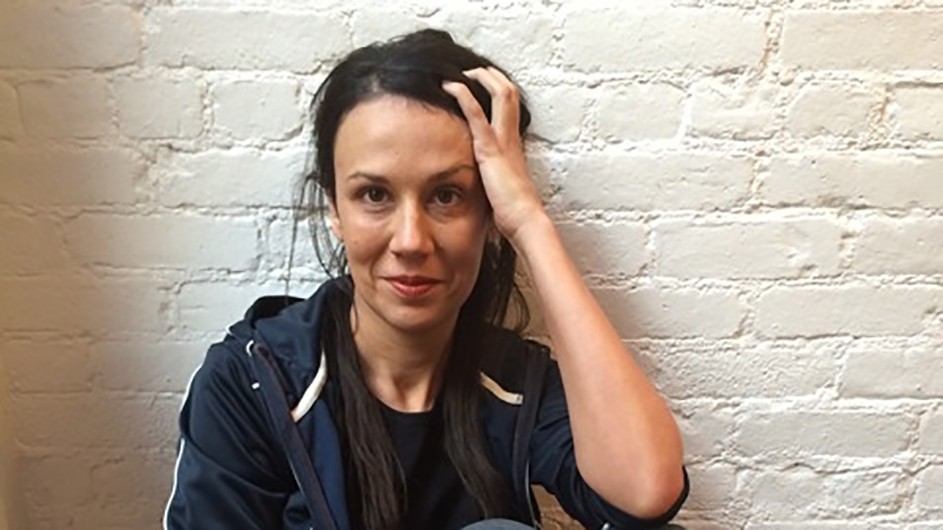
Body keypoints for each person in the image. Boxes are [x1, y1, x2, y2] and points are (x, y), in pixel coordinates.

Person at [163, 29, 689, 530]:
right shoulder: (253, 384)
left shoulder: (513, 382)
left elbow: (644, 493)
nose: (411, 240)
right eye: (374, 195)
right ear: (334, 208)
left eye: (447, 195)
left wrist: (529, 222)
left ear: (488, 212)